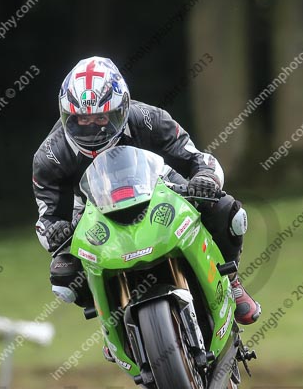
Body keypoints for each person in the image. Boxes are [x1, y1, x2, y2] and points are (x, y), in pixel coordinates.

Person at [32, 55, 261, 325]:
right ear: (66, 115)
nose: (93, 128)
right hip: (91, 212)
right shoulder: (50, 155)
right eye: (82, 120)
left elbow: (198, 158)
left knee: (227, 211)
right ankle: (112, 320)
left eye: (102, 117)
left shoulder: (147, 118)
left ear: (122, 108)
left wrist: (205, 178)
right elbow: (47, 217)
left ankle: (232, 282)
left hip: (159, 186)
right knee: (63, 276)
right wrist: (57, 231)